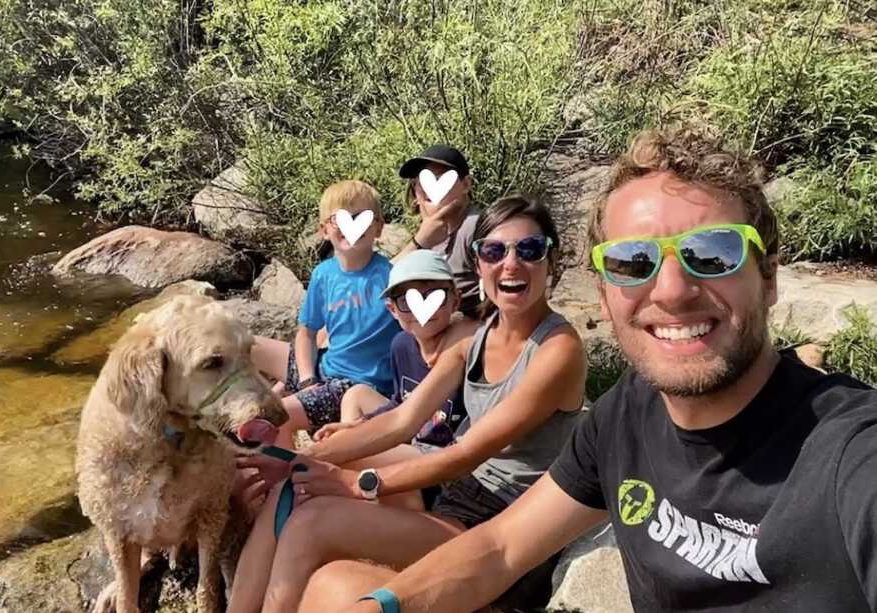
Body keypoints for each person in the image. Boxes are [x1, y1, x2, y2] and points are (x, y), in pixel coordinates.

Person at [304, 124, 877, 613]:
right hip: (471, 511)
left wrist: (358, 480)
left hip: (476, 508)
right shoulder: (625, 414)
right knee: (336, 589)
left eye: (713, 251)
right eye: (633, 262)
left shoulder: (848, 451)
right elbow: (501, 546)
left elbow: (467, 459)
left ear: (770, 278)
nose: (673, 290)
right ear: (604, 293)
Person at [227, 195, 587, 613]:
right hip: (456, 504)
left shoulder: (558, 350)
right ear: (478, 262)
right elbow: (400, 420)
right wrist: (302, 459)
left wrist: (355, 483)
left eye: (529, 249)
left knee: (312, 524)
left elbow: (467, 453)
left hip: (503, 529)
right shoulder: (478, 339)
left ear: (550, 258)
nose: (511, 263)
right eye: (494, 250)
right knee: (298, 494)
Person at [250, 180, 401, 450]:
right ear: (323, 230)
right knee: (246, 346)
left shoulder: (390, 278)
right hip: (322, 369)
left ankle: (288, 481)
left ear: (378, 228)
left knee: (279, 416)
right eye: (339, 219)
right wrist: (307, 380)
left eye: (361, 218)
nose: (350, 226)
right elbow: (306, 333)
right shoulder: (324, 274)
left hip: (354, 385)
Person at [317, 249, 478, 447]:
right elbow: (400, 402)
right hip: (409, 434)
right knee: (356, 394)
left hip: (443, 451)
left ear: (455, 301)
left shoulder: (464, 349)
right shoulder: (401, 345)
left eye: (435, 296)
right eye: (406, 301)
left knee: (349, 455)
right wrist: (358, 426)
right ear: (392, 310)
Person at [394, 144, 482, 319]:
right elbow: (380, 284)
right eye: (422, 181)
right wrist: (420, 242)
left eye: (441, 179)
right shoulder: (428, 232)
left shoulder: (476, 227)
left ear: (466, 185)